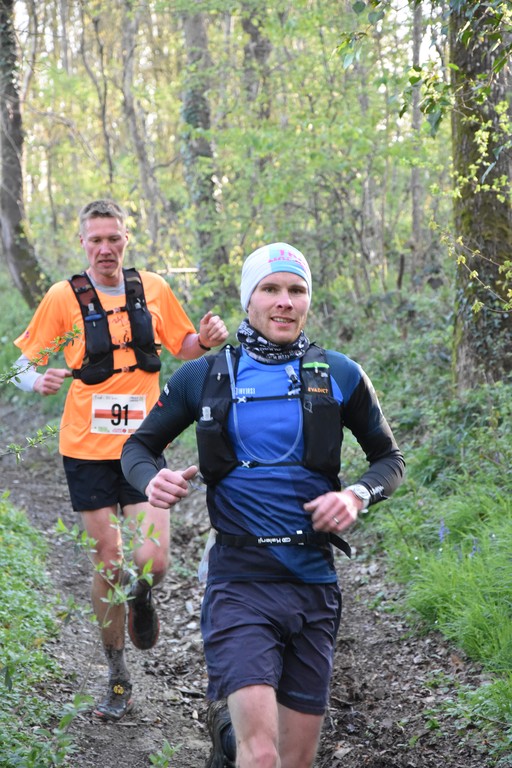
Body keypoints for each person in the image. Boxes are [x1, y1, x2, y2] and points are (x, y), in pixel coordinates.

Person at [121, 242, 405, 767]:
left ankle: (225, 737)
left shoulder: (340, 373)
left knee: (295, 760)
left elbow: (389, 459)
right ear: (248, 299)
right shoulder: (203, 375)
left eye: (297, 290)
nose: (284, 302)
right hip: (238, 580)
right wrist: (152, 479)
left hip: (313, 581)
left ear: (309, 301)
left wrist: (356, 494)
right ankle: (236, 738)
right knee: (262, 756)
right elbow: (137, 447)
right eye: (270, 289)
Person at [11, 199, 228, 722]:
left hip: (145, 444)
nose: (105, 249)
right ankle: (117, 673)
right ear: (82, 243)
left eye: (114, 238)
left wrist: (206, 340)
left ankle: (142, 597)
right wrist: (36, 380)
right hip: (85, 449)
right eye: (96, 240)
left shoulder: (152, 288)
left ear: (126, 239)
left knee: (154, 561)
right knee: (107, 563)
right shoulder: (63, 297)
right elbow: (21, 365)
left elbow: (185, 346)